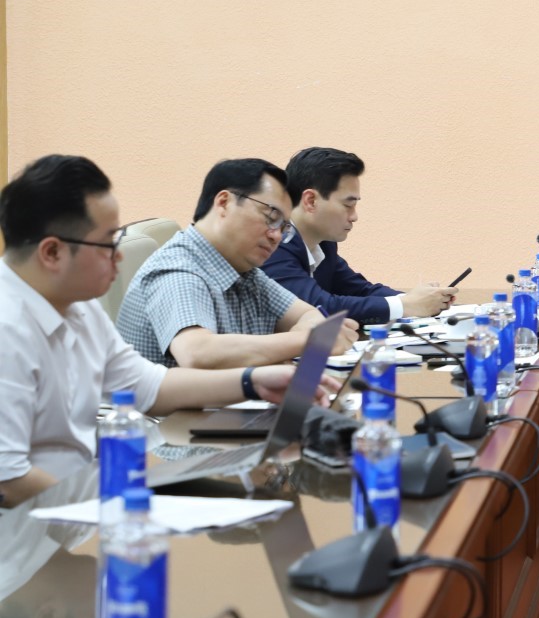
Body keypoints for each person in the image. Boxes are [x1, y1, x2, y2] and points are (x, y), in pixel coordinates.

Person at [0, 155, 333, 506]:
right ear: (52, 252)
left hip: (84, 506)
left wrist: (254, 381)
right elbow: (10, 479)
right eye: (108, 243)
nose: (118, 257)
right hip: (40, 526)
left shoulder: (79, 307)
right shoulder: (9, 328)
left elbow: (147, 386)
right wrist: (123, 499)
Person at [116, 158, 358, 368]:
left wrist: (305, 335)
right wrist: (307, 340)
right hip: (176, 411)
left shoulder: (245, 271)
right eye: (271, 217)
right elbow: (196, 352)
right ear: (224, 202)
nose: (276, 236)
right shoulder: (178, 269)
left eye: (284, 227)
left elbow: (307, 314)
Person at [261, 147, 456, 323]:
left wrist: (418, 300)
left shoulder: (323, 243)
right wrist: (406, 305)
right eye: (348, 205)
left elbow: (360, 290)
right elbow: (318, 306)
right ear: (311, 201)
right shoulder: (274, 244)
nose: (354, 217)